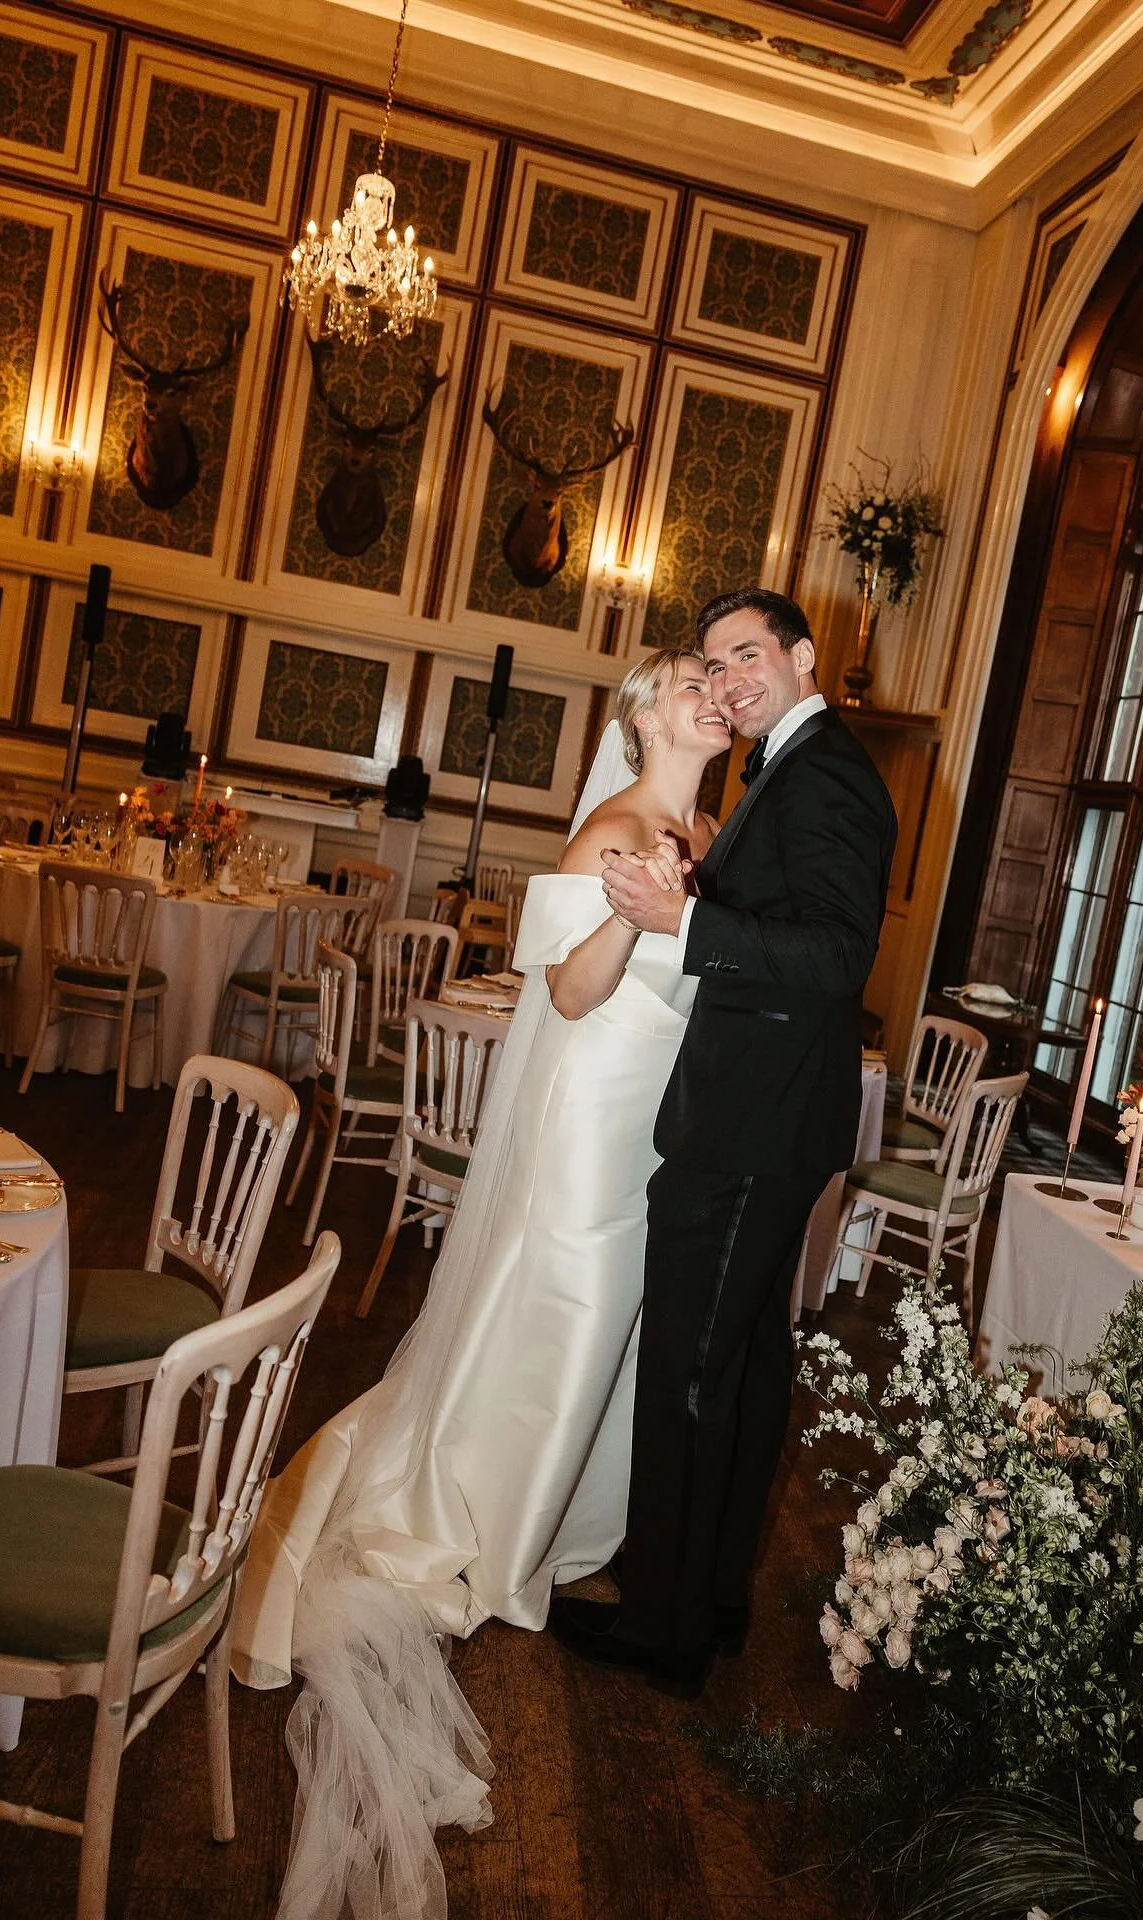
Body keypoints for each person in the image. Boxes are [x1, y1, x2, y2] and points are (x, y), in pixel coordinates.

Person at [228, 647, 730, 1920]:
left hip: (652, 1120)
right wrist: (628, 905)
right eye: (689, 683)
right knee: (562, 1301)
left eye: (719, 685)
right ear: (638, 718)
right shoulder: (613, 832)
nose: (711, 698)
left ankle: (551, 1509)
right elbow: (564, 992)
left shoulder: (710, 826)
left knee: (606, 1314)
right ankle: (488, 1526)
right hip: (585, 1116)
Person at [549, 586, 898, 1697]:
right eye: (715, 663)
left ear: (802, 657)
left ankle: (663, 1625)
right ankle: (716, 1599)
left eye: (749, 655)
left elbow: (840, 957)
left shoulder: (826, 770)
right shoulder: (791, 766)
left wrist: (686, 923)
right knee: (742, 1366)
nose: (731, 679)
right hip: (765, 1114)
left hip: (754, 1120)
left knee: (692, 1365)